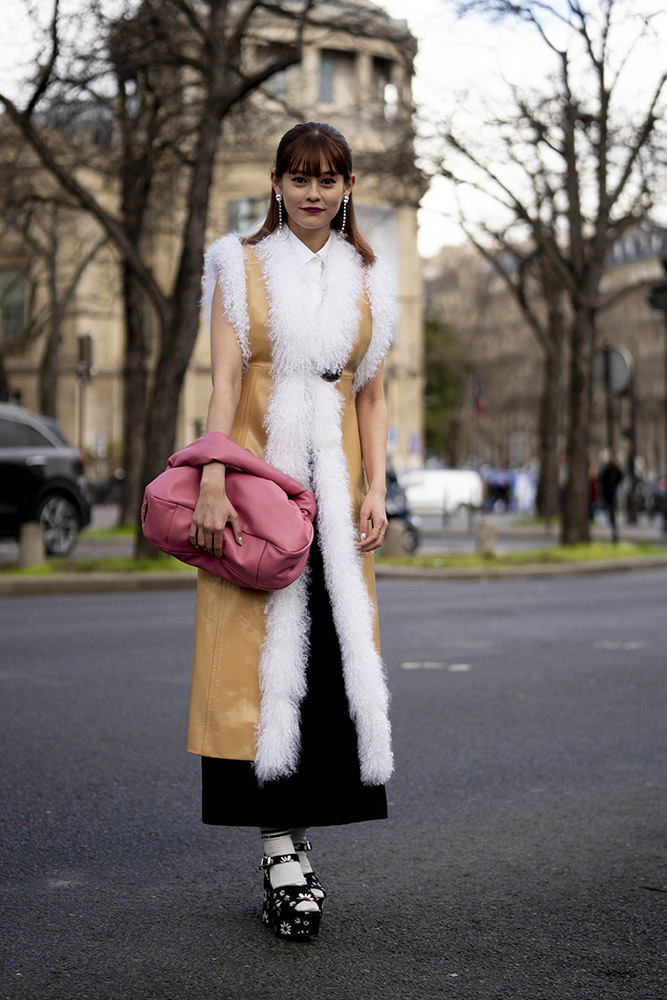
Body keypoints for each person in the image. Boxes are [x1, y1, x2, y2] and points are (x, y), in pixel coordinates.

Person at [188, 122, 395, 940]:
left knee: (328, 661)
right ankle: (277, 850)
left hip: (337, 498)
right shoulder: (236, 267)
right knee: (255, 665)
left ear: (347, 189)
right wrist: (211, 477)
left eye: (330, 178)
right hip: (254, 482)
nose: (314, 191)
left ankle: (299, 843)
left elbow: (371, 393)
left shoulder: (369, 277)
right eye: (300, 177)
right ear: (275, 183)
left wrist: (377, 485)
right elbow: (225, 378)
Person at [599, 454, 623, 543]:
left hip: (612, 492)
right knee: (609, 508)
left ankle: (612, 521)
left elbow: (620, 478)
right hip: (608, 492)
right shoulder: (608, 470)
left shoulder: (616, 470)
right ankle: (611, 520)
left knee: (612, 509)